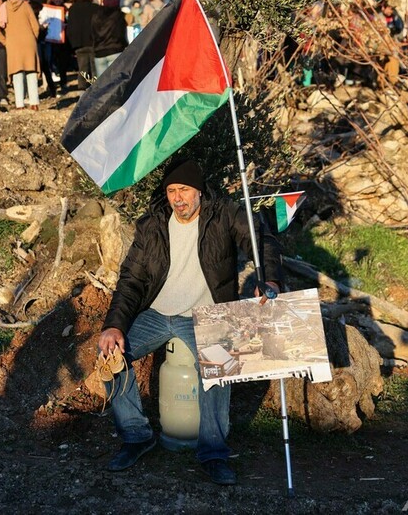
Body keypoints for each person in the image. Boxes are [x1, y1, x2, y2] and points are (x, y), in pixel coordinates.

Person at [97, 158, 283, 486]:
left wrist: (269, 279)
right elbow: (131, 280)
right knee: (112, 357)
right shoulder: (152, 224)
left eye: (184, 190)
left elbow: (261, 240)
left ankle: (212, 452)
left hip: (206, 314)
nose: (178, 198)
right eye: (171, 191)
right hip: (156, 313)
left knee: (219, 367)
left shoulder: (224, 214)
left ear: (198, 190)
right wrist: (114, 325)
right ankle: (136, 436)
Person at [0, 0, 40, 110]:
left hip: (13, 44)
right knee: (31, 71)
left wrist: (5, 41)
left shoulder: (4, 8)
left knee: (17, 73)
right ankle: (34, 103)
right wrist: (33, 38)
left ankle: (19, 104)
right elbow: (36, 26)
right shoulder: (26, 5)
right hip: (29, 43)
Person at [65, 0, 99, 91]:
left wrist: (72, 44)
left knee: (82, 69)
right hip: (94, 42)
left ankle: (81, 92)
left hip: (79, 43)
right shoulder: (95, 8)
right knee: (95, 70)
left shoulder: (73, 9)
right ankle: (96, 92)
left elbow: (70, 28)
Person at [92, 0, 127, 76]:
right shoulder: (119, 16)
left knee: (102, 86)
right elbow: (120, 35)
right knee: (115, 83)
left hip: (99, 52)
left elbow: (93, 33)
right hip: (115, 50)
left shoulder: (96, 15)